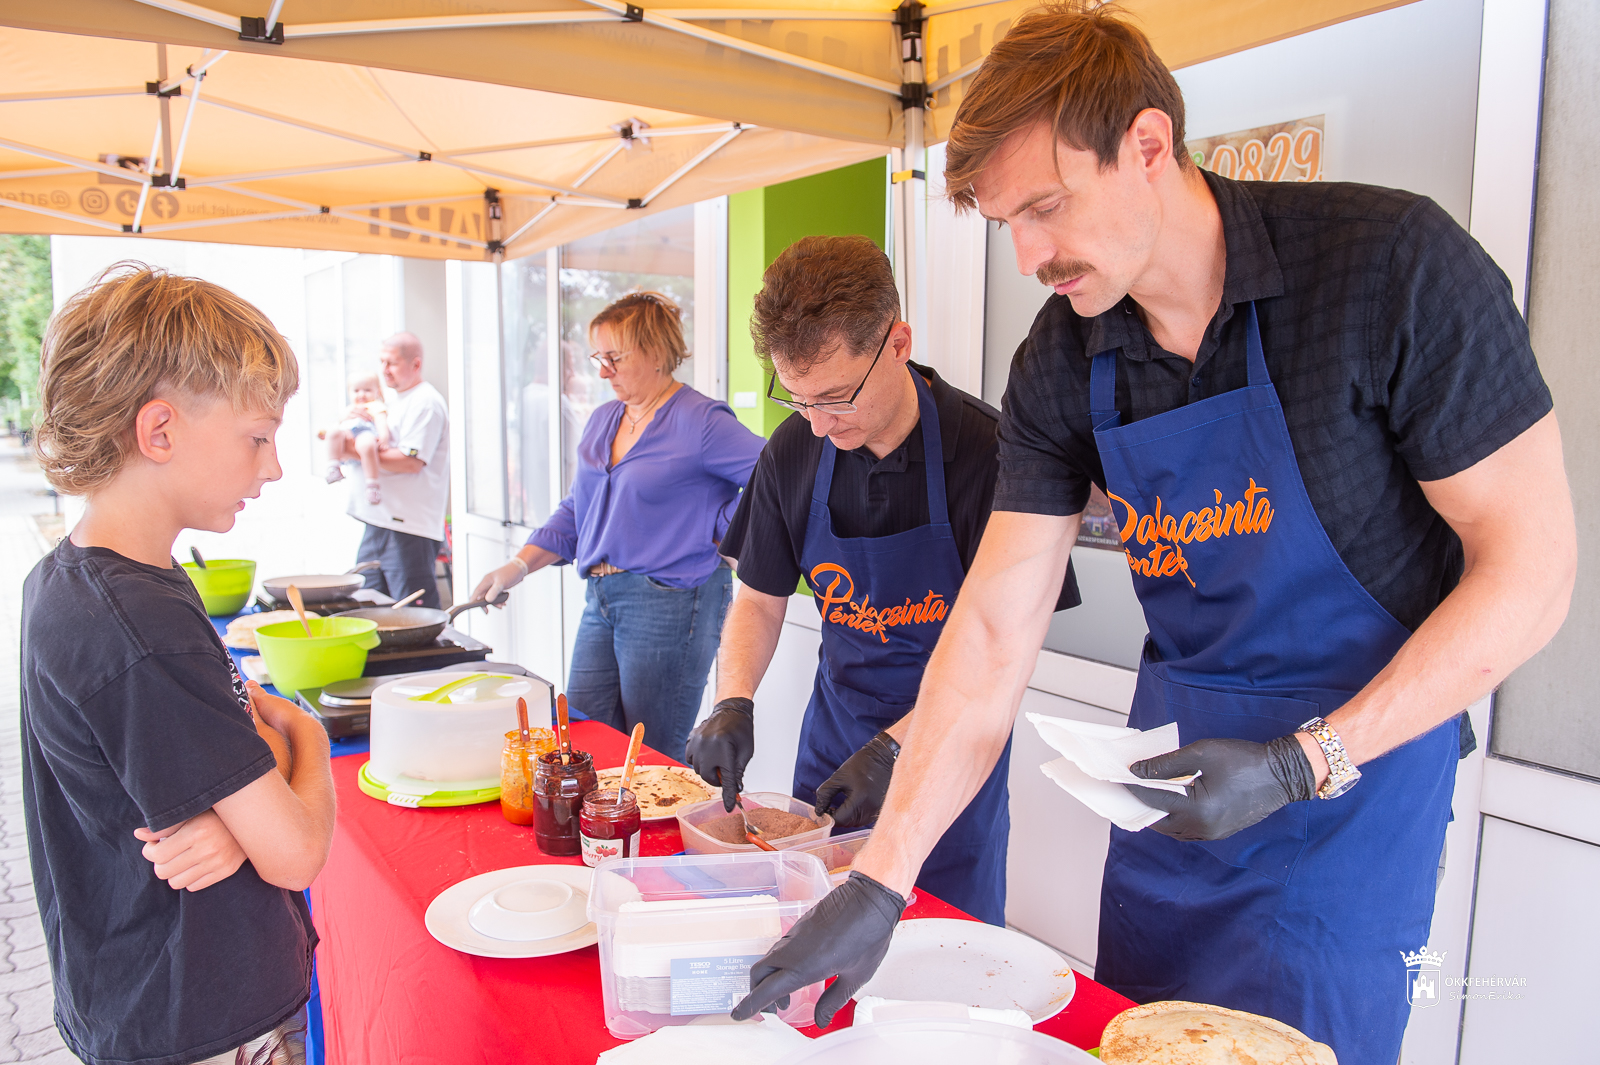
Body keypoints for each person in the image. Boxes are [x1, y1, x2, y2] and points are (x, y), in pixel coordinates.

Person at [731, 5, 1576, 1059]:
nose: (1030, 254)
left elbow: (1532, 573)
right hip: (1173, 789)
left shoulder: (1387, 270)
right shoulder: (1060, 362)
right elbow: (992, 635)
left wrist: (1298, 763)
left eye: (1045, 206)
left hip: (1354, 785)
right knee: (1136, 1037)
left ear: (1145, 145)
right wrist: (879, 880)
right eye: (1006, 225)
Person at [686, 236, 1078, 925]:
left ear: (897, 343)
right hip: (834, 760)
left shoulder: (989, 456)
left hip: (948, 765)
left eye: (837, 398)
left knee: (942, 962)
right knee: (815, 954)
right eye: (797, 399)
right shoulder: (795, 450)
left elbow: (1003, 649)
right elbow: (758, 597)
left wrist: (901, 747)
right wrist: (733, 700)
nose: (817, 422)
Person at [22, 265, 336, 1065]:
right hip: (199, 1017)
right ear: (158, 431)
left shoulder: (80, 576)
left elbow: (229, 733)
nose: (272, 468)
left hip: (142, 997)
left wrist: (243, 811)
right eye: (257, 436)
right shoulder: (142, 623)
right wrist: (310, 740)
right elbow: (297, 849)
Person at [472, 292, 764, 757]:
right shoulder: (604, 418)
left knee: (649, 756)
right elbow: (578, 508)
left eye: (614, 357)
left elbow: (773, 479)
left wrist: (718, 523)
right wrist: (517, 566)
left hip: (670, 600)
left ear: (655, 352)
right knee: (581, 742)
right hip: (602, 597)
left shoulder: (700, 421)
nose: (602, 370)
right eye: (598, 357)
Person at [349, 331, 450, 609]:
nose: (384, 370)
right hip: (379, 521)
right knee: (369, 609)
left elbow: (411, 461)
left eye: (391, 363)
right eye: (381, 362)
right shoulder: (391, 403)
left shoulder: (425, 402)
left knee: (412, 615)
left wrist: (353, 450)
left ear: (415, 365)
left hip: (407, 528)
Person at [322, 369, 391, 504]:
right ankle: (333, 467)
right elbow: (340, 422)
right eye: (356, 390)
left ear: (377, 391)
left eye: (367, 390)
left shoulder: (376, 406)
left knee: (366, 444)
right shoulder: (350, 408)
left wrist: (384, 437)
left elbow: (381, 422)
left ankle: (372, 485)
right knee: (333, 432)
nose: (361, 394)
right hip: (348, 433)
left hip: (365, 432)